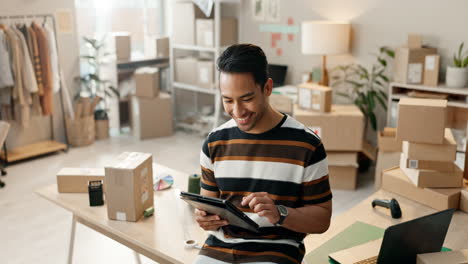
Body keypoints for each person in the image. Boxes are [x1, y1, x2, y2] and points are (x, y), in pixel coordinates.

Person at [194, 44, 332, 264]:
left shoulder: (307, 145)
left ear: (267, 88)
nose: (237, 112)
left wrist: (279, 213)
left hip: (278, 249)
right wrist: (204, 219)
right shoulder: (214, 142)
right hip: (219, 247)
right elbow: (208, 206)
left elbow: (322, 219)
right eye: (228, 100)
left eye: (247, 98)